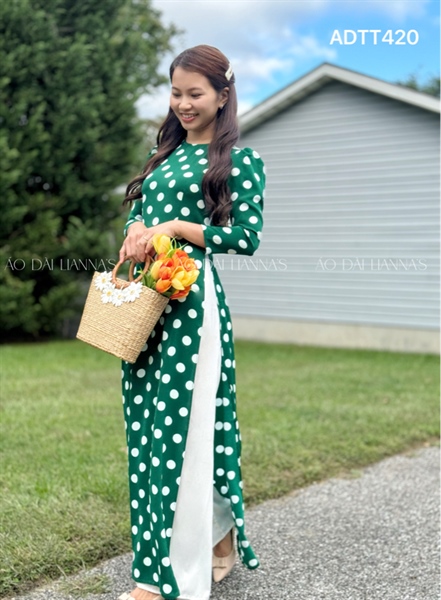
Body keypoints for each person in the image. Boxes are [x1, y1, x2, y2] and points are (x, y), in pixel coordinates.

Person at [117, 44, 266, 600]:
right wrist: (136, 234)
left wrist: (178, 228)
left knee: (184, 435)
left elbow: (244, 237)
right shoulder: (161, 156)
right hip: (148, 302)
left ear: (222, 96)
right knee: (149, 433)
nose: (183, 103)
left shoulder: (239, 163)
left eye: (195, 93)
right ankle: (218, 539)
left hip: (192, 309)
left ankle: (167, 580)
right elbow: (140, 219)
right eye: (176, 92)